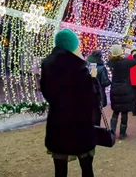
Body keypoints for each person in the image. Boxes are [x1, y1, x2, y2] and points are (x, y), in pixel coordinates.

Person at [41, 29, 98, 177]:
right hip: (80, 125)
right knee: (86, 167)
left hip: (58, 124)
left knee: (60, 170)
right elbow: (93, 99)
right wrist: (93, 79)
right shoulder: (80, 69)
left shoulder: (48, 66)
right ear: (73, 46)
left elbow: (47, 93)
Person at [108, 44, 136, 139]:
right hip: (126, 89)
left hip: (114, 89)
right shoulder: (126, 62)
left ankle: (112, 132)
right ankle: (122, 134)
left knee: (115, 111)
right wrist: (133, 49)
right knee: (124, 112)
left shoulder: (110, 63)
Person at [86, 49, 111, 126]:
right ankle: (96, 132)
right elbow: (105, 82)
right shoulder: (101, 67)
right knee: (97, 115)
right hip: (98, 94)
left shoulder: (86, 65)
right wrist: (110, 81)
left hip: (87, 94)